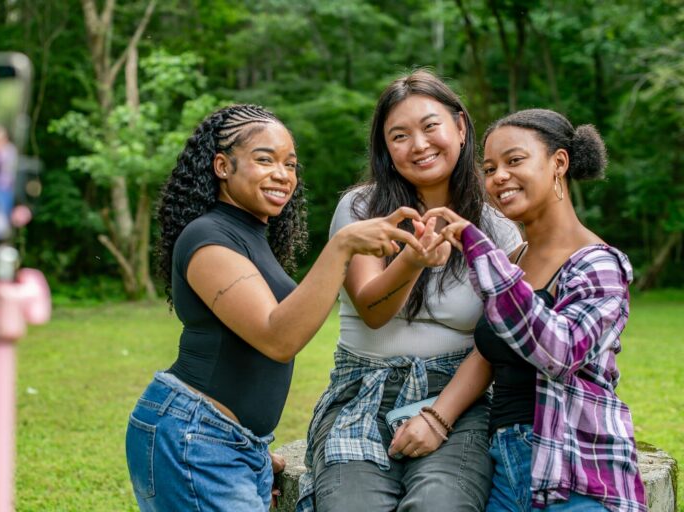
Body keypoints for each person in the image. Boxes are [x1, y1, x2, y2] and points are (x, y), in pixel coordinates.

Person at [125, 104, 430, 511]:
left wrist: (248, 445)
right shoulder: (208, 237)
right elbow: (278, 338)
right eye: (264, 159)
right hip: (194, 437)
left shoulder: (249, 234)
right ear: (222, 165)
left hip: (227, 441)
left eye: (290, 164)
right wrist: (341, 246)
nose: (283, 175)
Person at [297, 70, 522, 512]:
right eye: (399, 135)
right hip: (361, 390)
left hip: (458, 398)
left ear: (460, 127)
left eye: (430, 126)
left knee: (440, 504)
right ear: (385, 148)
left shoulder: (499, 228)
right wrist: (413, 260)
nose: (418, 145)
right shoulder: (361, 209)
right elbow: (372, 310)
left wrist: (439, 418)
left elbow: (497, 340)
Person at [423, 108, 647, 511]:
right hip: (506, 466)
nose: (498, 178)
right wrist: (435, 419)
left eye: (514, 161)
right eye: (489, 169)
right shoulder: (512, 259)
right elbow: (487, 352)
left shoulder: (598, 264)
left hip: (577, 470)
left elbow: (560, 352)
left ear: (558, 162)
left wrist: (480, 252)